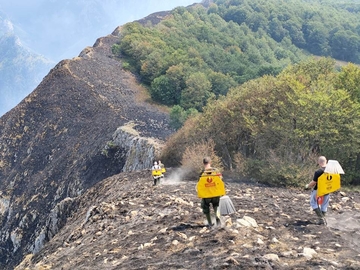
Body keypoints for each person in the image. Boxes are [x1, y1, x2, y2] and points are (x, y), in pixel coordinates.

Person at [196, 156, 225, 227]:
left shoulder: (202, 173)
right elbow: (221, 180)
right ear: (210, 162)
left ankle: (209, 223)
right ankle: (218, 221)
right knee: (216, 206)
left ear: (203, 163)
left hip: (206, 195)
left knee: (205, 208)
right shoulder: (216, 171)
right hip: (216, 193)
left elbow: (200, 184)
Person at [305, 156, 329, 225]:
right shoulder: (331, 171)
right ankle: (322, 220)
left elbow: (313, 182)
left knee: (313, 203)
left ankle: (321, 219)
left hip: (318, 190)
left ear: (319, 162)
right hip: (327, 190)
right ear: (326, 161)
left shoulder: (318, 172)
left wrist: (307, 186)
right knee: (324, 205)